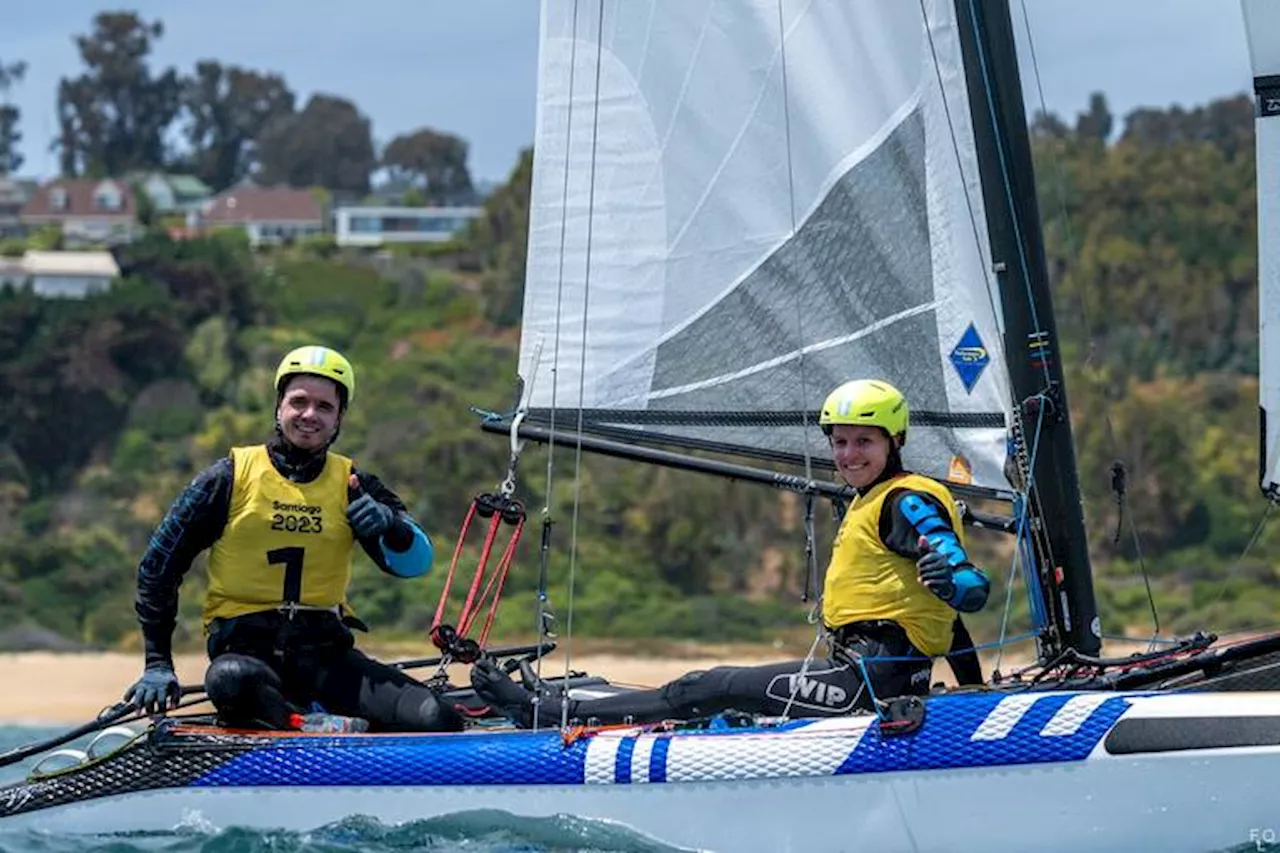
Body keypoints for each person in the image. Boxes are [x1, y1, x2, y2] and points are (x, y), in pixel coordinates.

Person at [471, 378, 991, 726]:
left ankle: (555, 716)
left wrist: (955, 582)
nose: (849, 455)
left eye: (864, 443)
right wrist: (974, 691)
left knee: (711, 684)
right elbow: (944, 620)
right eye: (840, 442)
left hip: (872, 683)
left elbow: (966, 587)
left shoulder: (906, 500)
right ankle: (567, 707)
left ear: (892, 441)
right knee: (722, 691)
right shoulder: (872, 499)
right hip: (860, 671)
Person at [124, 345, 462, 733]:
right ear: (279, 406)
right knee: (228, 678)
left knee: (438, 717)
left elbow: (414, 563)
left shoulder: (355, 484)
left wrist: (390, 524)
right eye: (298, 402)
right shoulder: (227, 478)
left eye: (324, 407)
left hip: (327, 661)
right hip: (248, 661)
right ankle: (303, 722)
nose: (309, 415)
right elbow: (157, 570)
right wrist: (157, 663)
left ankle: (319, 721)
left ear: (339, 419)